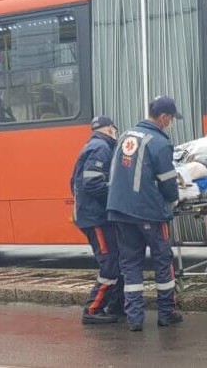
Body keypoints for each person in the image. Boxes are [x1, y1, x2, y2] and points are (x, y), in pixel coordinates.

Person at [107, 96, 183, 331]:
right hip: (150, 213)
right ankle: (166, 313)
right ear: (163, 117)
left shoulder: (125, 136)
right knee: (163, 261)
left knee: (130, 264)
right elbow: (168, 183)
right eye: (170, 119)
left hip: (119, 210)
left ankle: (135, 319)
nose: (170, 123)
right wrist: (173, 199)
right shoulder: (159, 142)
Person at [71, 115, 124, 324]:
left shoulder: (92, 146)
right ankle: (93, 310)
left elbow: (75, 182)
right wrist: (118, 195)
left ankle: (115, 305)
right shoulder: (101, 148)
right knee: (110, 262)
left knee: (116, 260)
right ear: (111, 129)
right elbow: (93, 184)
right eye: (115, 129)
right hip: (97, 218)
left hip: (93, 215)